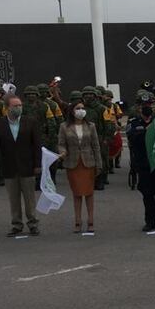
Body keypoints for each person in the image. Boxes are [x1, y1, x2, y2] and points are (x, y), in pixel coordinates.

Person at [0, 96, 43, 237]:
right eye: (16, 106)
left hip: (27, 165)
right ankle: (17, 224)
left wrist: (37, 164)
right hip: (9, 166)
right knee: (14, 198)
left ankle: (33, 223)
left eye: (20, 105)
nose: (19, 108)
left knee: (30, 198)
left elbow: (37, 145)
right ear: (7, 107)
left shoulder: (31, 122)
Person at [127, 99, 155, 232]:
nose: (147, 108)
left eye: (149, 105)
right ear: (140, 108)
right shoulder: (134, 123)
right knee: (147, 194)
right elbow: (132, 140)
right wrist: (146, 132)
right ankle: (150, 221)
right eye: (144, 106)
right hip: (144, 165)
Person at [57, 99, 102, 233]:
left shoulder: (91, 126)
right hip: (73, 163)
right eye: (78, 108)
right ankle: (77, 221)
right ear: (72, 111)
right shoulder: (64, 126)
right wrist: (62, 152)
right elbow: (61, 143)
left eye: (82, 108)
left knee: (89, 193)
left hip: (88, 163)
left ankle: (90, 220)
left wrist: (99, 164)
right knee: (77, 193)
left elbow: (96, 146)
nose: (81, 110)